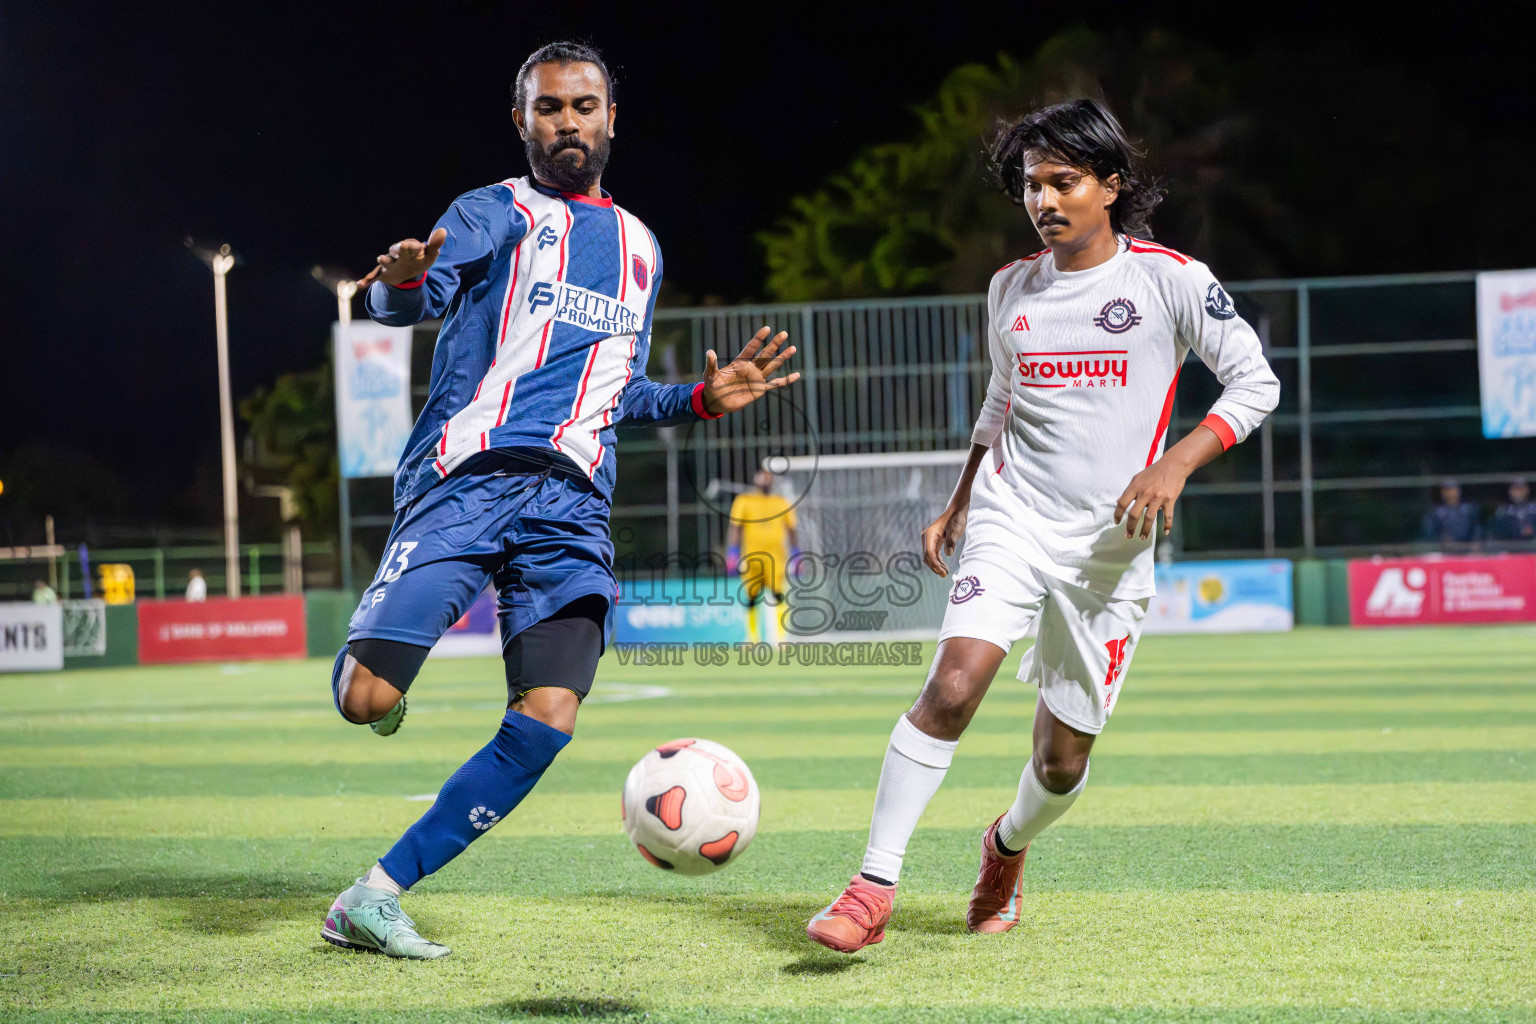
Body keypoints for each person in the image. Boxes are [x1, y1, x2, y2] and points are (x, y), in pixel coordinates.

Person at [320, 42, 799, 960]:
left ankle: (374, 895)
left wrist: (702, 398)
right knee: (363, 696)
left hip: (573, 505)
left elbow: (614, 396)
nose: (568, 122)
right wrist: (401, 277)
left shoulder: (640, 249)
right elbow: (402, 303)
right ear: (521, 122)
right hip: (468, 479)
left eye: (584, 106)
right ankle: (375, 687)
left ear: (612, 118)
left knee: (549, 715)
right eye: (549, 109)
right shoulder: (491, 212)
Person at [805, 98, 1279, 952]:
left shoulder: (1170, 279)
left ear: (1110, 186)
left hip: (1110, 551)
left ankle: (1006, 846)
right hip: (1012, 515)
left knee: (1061, 766)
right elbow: (1000, 403)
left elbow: (1255, 383)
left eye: (1063, 182)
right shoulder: (1011, 289)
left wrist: (1175, 462)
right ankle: (871, 887)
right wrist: (960, 499)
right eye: (1031, 185)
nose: (1044, 200)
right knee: (952, 687)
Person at [727, 469, 799, 645]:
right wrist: (732, 552)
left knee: (778, 594)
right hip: (752, 556)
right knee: (751, 595)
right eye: (762, 478)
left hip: (776, 557)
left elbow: (792, 529)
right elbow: (736, 527)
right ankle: (752, 638)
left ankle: (781, 639)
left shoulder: (781, 502)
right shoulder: (745, 500)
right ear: (755, 480)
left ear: (772, 482)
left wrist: (796, 553)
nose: (765, 481)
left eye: (768, 479)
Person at [1421, 480, 1482, 545]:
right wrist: (1442, 539)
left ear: (1459, 491)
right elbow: (1430, 533)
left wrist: (1475, 541)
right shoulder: (1437, 513)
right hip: (1445, 549)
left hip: (1468, 548)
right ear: (1443, 493)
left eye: (1454, 489)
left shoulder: (1469, 510)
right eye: (1448, 490)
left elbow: (1477, 528)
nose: (1452, 493)